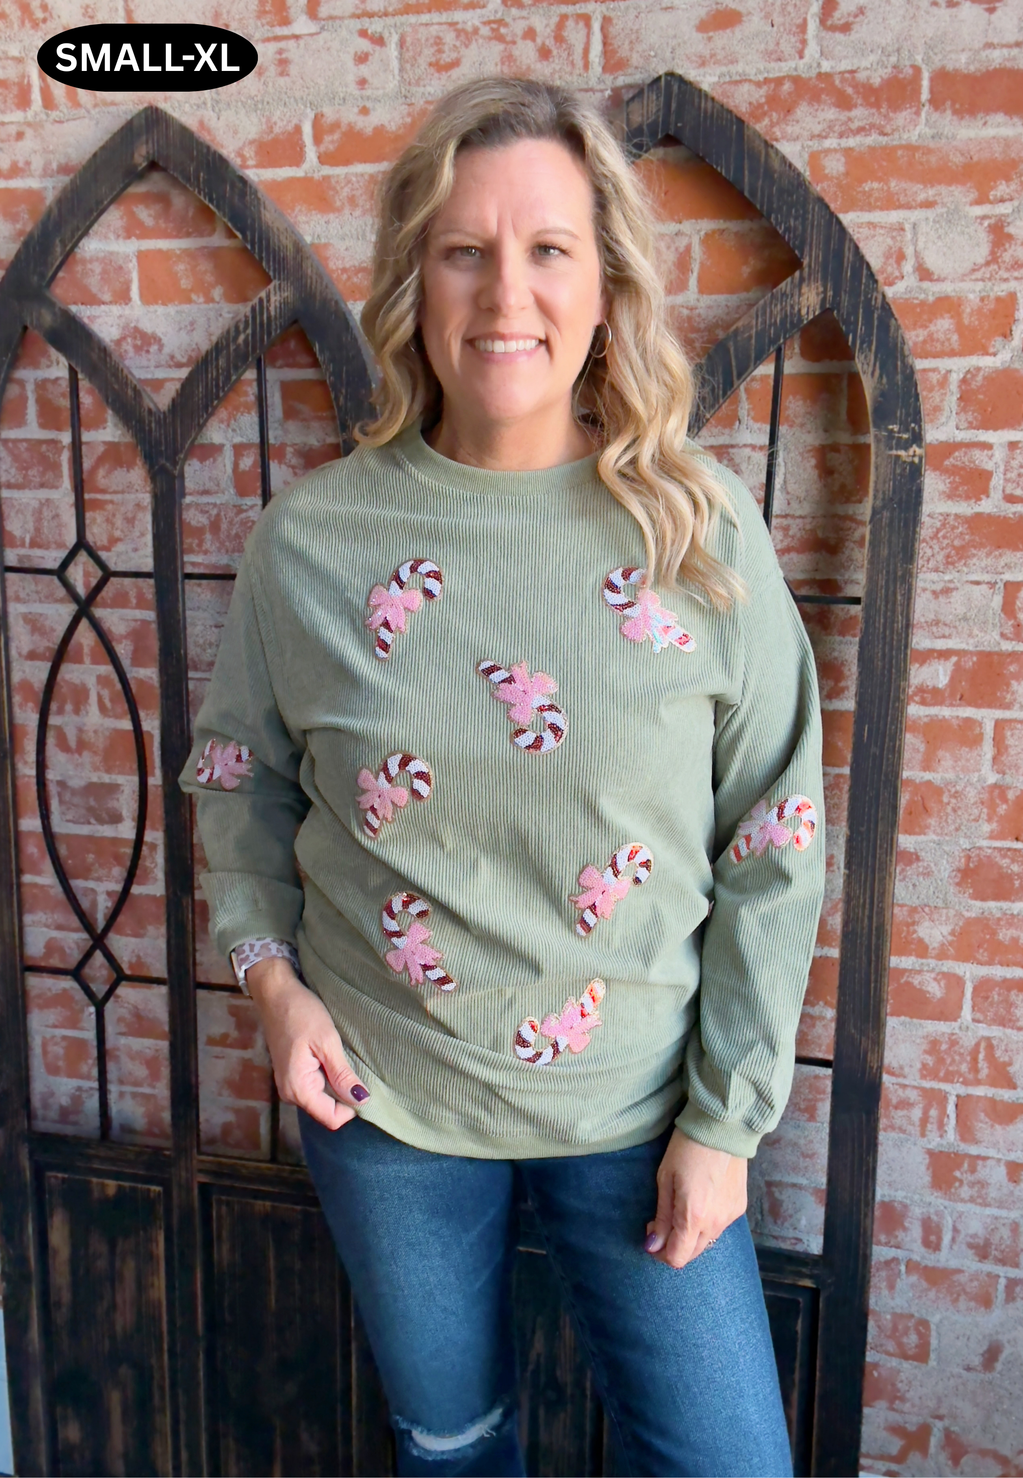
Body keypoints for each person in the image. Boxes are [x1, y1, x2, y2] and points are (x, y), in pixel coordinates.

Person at [179, 76, 825, 1478]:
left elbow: (776, 835)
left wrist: (727, 1124)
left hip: (644, 1107)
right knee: (453, 1441)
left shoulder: (697, 531)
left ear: (607, 285)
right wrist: (272, 987)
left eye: (548, 249)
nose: (505, 294)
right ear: (415, 280)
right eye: (464, 250)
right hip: (388, 1101)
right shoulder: (312, 540)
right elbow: (237, 784)